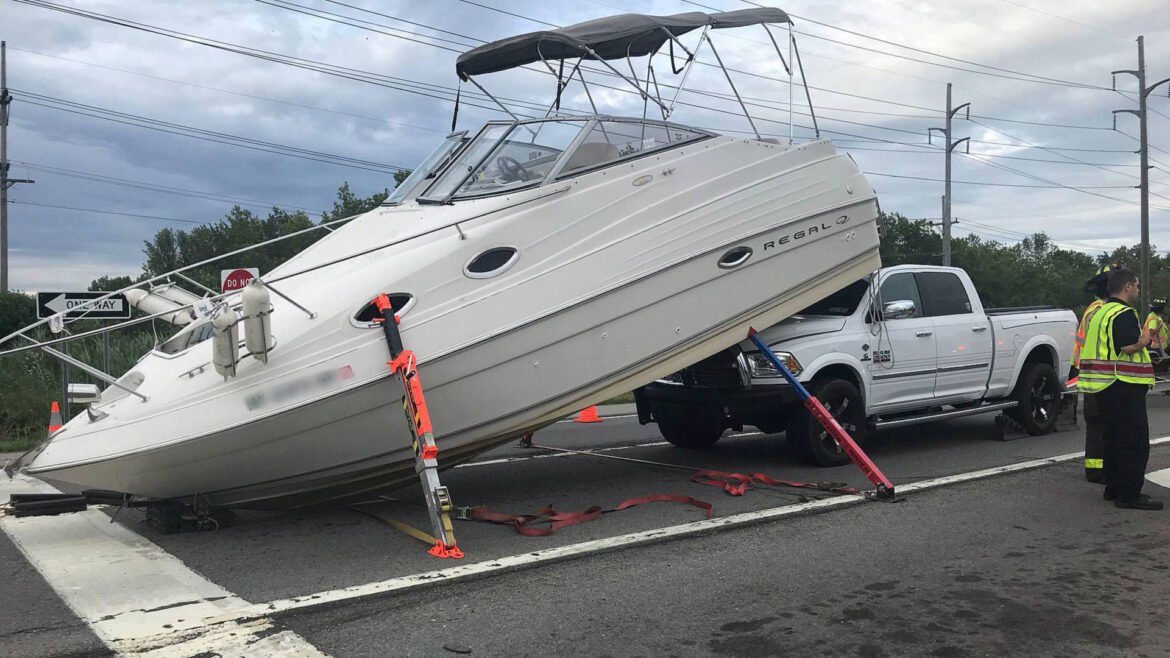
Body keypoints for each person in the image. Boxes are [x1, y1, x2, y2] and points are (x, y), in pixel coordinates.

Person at [1077, 268, 1162, 510]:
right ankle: (1128, 494)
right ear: (1126, 287)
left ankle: (1113, 487)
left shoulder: (1101, 311)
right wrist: (1145, 341)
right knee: (1133, 441)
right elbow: (1127, 346)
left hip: (1103, 385)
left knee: (1113, 437)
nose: (1137, 289)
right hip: (1123, 384)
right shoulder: (1124, 313)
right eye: (1136, 285)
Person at [1070, 264, 1114, 483]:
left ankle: (1099, 467)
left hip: (1095, 373)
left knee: (1101, 423)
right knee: (1098, 423)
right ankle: (1096, 470)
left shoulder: (1098, 307)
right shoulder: (1099, 310)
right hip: (1097, 375)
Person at [1145, 297, 1169, 363]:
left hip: (1161, 346)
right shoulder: (1153, 318)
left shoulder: (1157, 316)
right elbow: (1151, 332)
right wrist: (1159, 326)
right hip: (1156, 347)